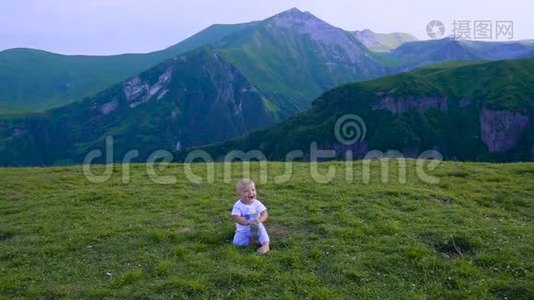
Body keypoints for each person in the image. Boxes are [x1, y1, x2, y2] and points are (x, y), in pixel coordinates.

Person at [231, 178, 270, 255]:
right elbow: (235, 217)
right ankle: (251, 241)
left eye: (253, 190)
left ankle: (266, 245)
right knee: (237, 243)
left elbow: (264, 213)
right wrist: (246, 222)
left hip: (256, 226)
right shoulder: (238, 205)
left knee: (262, 231)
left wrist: (259, 220)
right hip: (243, 229)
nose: (251, 193)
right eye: (246, 191)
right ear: (239, 194)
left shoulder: (256, 203)